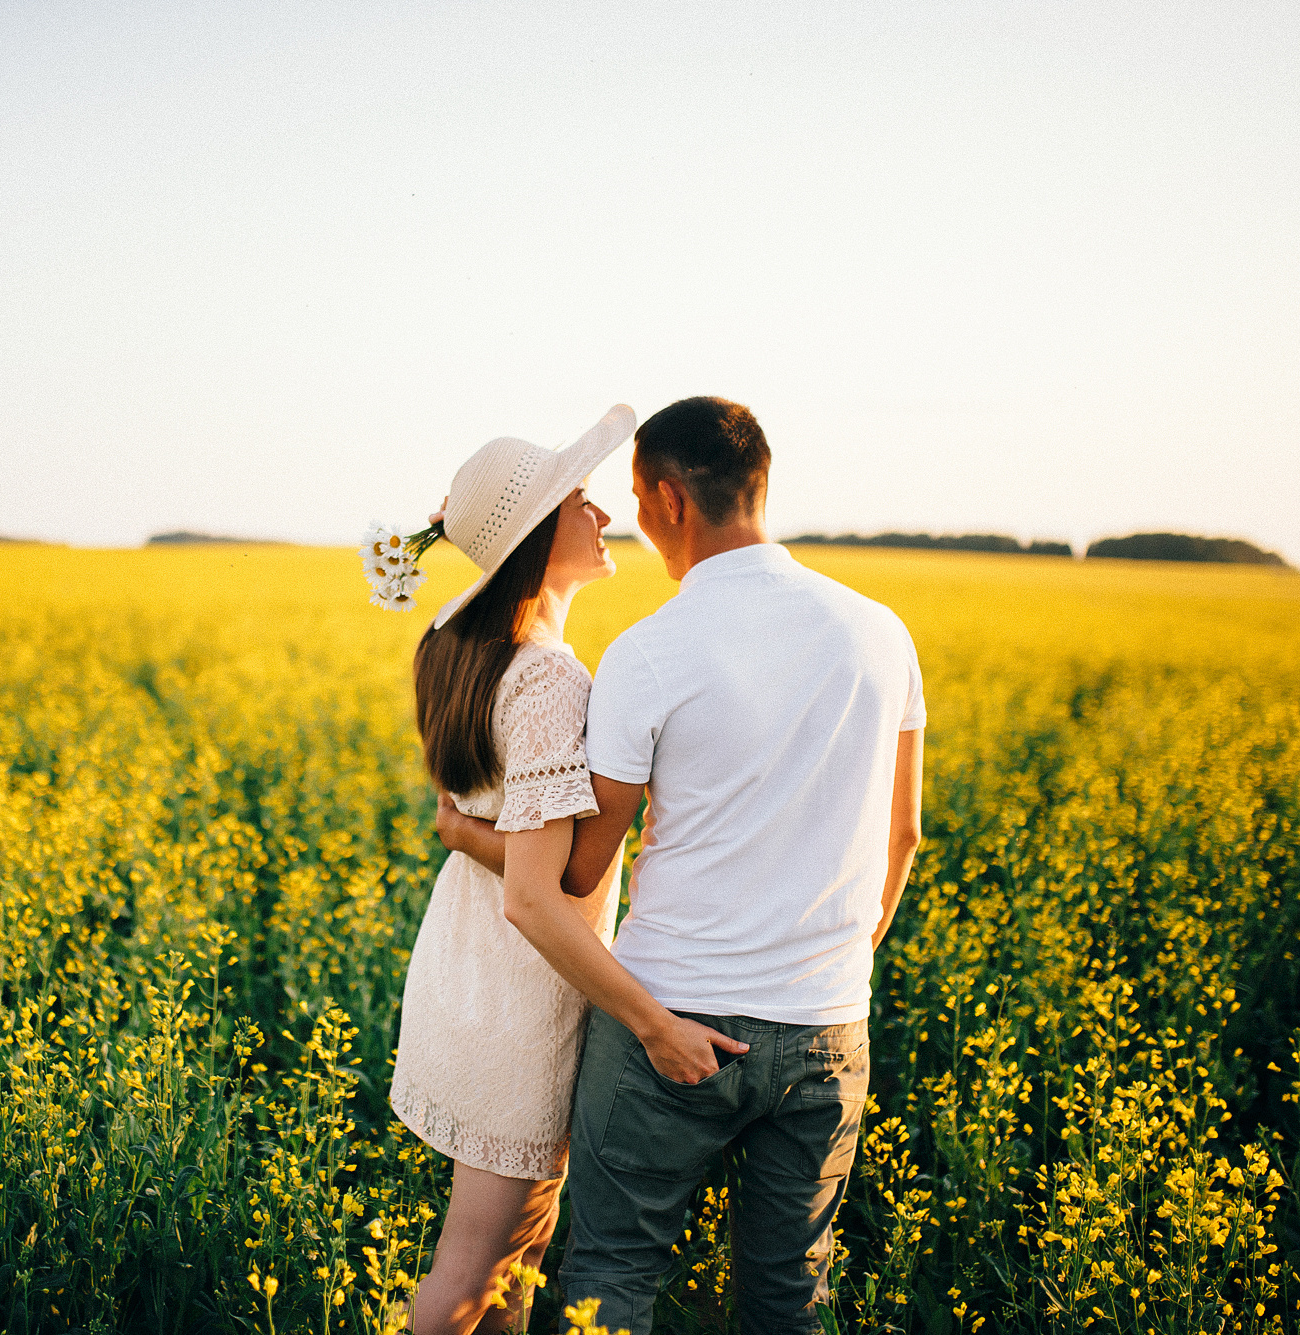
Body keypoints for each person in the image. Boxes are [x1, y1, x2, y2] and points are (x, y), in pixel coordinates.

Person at [437, 396, 925, 1334]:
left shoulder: (649, 652)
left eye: (631, 496)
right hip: (828, 1025)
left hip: (669, 1022)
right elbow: (904, 836)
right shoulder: (882, 632)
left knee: (609, 1278)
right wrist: (827, 968)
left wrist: (472, 835)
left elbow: (580, 872)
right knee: (789, 1291)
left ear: (667, 499)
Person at [389, 404, 747, 1335]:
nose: (603, 516)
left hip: (464, 978)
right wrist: (653, 1021)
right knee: (477, 1266)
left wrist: (468, 837)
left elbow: (489, 835)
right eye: (581, 502)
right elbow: (540, 898)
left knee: (514, 1260)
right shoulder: (550, 680)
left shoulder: (458, 641)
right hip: (523, 999)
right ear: (539, 534)